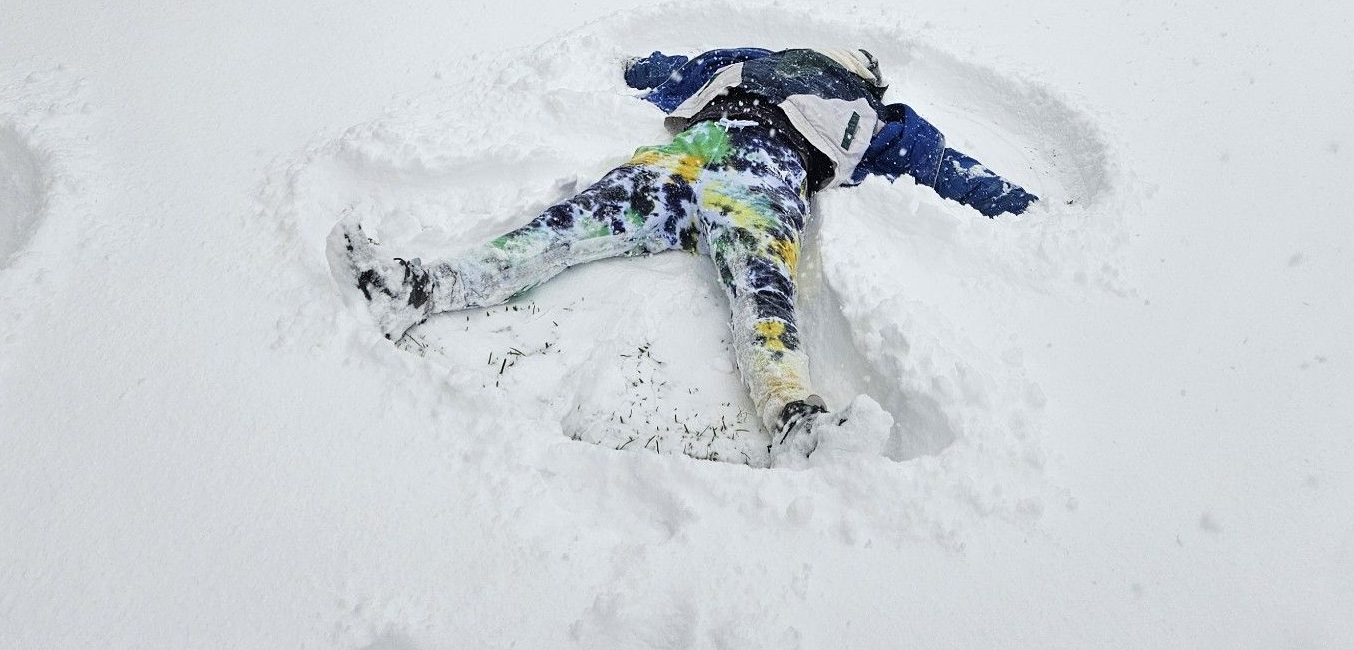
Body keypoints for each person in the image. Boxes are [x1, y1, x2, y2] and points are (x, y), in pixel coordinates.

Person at [328, 46, 1037, 466]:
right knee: (761, 289)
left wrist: (644, 67)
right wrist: (1012, 202)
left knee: (572, 226)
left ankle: (423, 287)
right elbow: (943, 165)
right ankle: (795, 420)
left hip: (696, 153)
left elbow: (686, 67)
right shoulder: (870, 115)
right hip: (757, 172)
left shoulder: (763, 64)